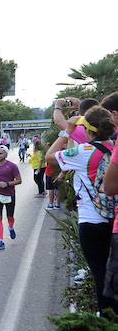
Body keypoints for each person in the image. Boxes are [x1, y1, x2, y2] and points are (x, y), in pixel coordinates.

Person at [47, 105, 116, 313]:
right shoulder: (114, 147)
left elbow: (50, 157)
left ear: (87, 130)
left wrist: (67, 131)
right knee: (112, 273)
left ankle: (107, 320)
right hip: (114, 219)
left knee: (100, 273)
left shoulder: (83, 152)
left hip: (91, 220)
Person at [0, 145, 22, 251]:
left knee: (10, 217)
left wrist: (7, 184)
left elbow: (19, 180)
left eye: (1, 153)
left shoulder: (12, 166)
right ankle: (0, 240)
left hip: (9, 194)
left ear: (6, 154)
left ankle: (11, 227)